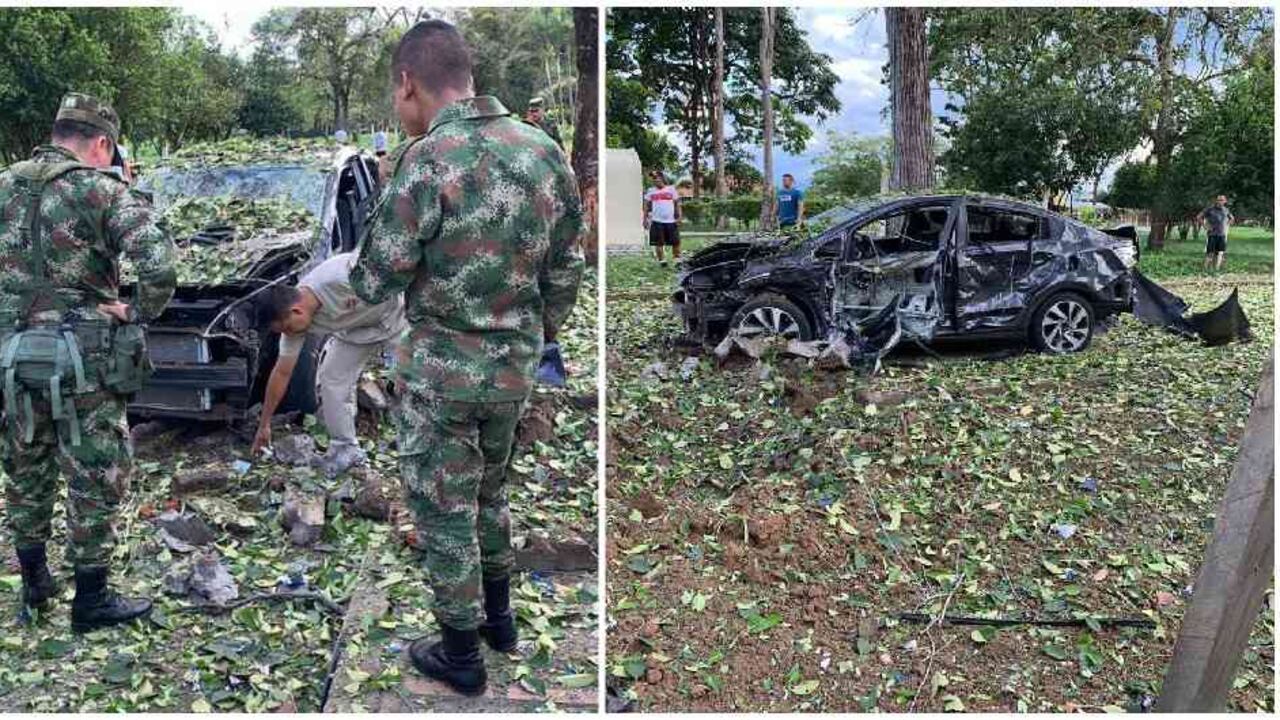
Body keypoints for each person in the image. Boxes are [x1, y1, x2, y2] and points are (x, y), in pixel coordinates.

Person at [350, 20, 583, 695]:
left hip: (442, 374)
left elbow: (372, 279)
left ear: (408, 83)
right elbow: (566, 269)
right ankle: (501, 623)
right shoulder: (545, 152)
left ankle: (460, 656)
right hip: (513, 371)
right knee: (490, 493)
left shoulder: (426, 158)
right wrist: (534, 335)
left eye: (397, 97)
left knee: (443, 509)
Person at [0, 93, 177, 631]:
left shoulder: (4, 185)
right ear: (102, 143)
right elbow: (159, 260)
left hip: (11, 360)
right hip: (84, 363)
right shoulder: (99, 190)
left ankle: (34, 585)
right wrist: (137, 309)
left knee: (24, 468)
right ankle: (91, 599)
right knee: (94, 473)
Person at [250, 252, 406, 477]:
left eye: (287, 329)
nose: (288, 335)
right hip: (354, 331)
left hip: (396, 319)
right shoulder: (294, 325)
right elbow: (282, 372)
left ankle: (417, 442)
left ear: (296, 311)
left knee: (407, 380)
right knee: (332, 377)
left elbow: (397, 270)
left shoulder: (342, 277)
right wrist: (264, 423)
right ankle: (345, 448)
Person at [643, 170, 681, 266]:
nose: (656, 180)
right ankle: (662, 261)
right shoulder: (651, 191)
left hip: (671, 221)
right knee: (658, 243)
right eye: (654, 179)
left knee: (675, 242)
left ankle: (677, 260)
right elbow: (646, 206)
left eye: (657, 178)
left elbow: (677, 204)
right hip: (657, 221)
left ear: (663, 178)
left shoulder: (671, 189)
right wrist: (644, 219)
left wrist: (679, 217)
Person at [1197, 195, 1233, 273]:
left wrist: (1226, 225)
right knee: (1210, 253)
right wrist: (1205, 226)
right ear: (1216, 201)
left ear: (1225, 201)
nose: (1220, 202)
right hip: (1212, 234)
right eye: (1219, 200)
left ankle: (1216, 270)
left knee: (1219, 253)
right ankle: (1205, 270)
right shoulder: (1210, 209)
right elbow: (1199, 217)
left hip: (1222, 235)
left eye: (1222, 200)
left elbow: (1232, 218)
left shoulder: (1226, 210)